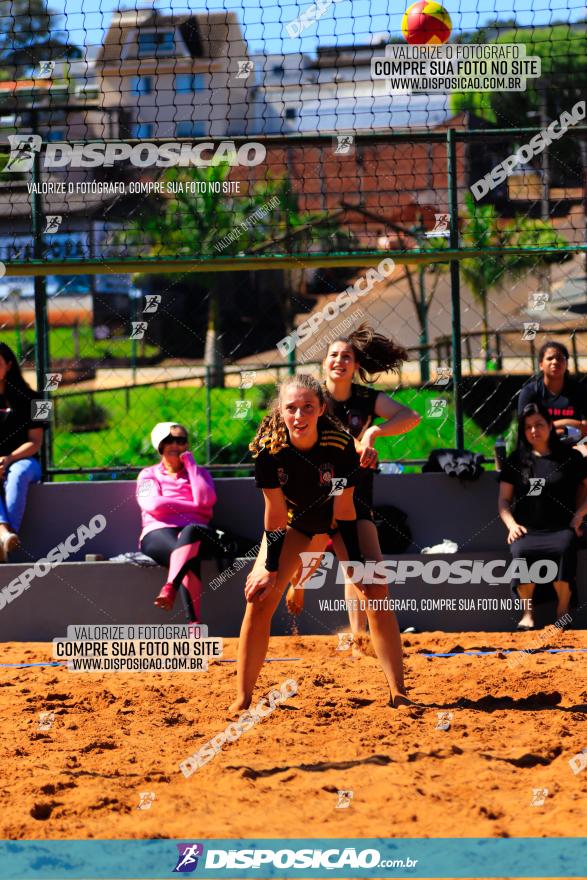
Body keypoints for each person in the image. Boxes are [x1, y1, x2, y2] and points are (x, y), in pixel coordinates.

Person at [230, 373, 414, 713]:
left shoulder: (338, 443)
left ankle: (398, 691)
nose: (299, 416)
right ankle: (243, 698)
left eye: (307, 408)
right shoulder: (269, 450)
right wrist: (268, 570)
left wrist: (357, 567)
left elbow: (343, 510)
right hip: (297, 521)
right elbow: (274, 515)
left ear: (321, 409)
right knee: (259, 596)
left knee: (374, 588)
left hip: (345, 517)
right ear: (281, 411)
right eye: (292, 408)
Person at [286, 325, 420, 654]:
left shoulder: (366, 399)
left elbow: (411, 416)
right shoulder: (313, 400)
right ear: (323, 364)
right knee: (310, 557)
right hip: (319, 496)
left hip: (357, 497)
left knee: (355, 568)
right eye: (333, 355)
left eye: (347, 356)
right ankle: (297, 585)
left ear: (356, 365)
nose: (340, 361)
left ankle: (359, 638)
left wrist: (374, 433)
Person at [498, 402, 587, 630]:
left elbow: (584, 487)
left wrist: (579, 516)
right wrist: (511, 525)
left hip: (560, 528)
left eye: (539, 424)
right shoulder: (516, 460)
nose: (534, 431)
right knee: (520, 550)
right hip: (528, 529)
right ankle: (528, 614)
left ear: (550, 425)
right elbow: (504, 500)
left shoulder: (569, 457)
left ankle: (562, 611)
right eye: (528, 427)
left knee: (565, 546)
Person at [136, 422, 217, 623]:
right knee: (187, 556)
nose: (175, 445)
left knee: (191, 533)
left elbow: (206, 500)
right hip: (158, 531)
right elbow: (152, 504)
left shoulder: (200, 474)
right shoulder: (148, 474)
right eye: (168, 440)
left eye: (180, 440)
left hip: (197, 532)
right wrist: (194, 505)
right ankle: (195, 628)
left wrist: (191, 466)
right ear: (159, 445)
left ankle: (170, 586)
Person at [0, 342, 47, 561]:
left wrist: (8, 459)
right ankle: (4, 537)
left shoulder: (36, 399)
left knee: (18, 474)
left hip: (26, 460)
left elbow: (36, 442)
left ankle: (6, 536)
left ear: (9, 365)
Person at [517, 341, 587, 447]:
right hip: (539, 445)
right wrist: (566, 426)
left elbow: (584, 429)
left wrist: (549, 427)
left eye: (559, 358)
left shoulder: (579, 390)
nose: (555, 362)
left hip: (575, 444)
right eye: (550, 358)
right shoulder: (530, 391)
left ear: (566, 363)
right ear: (541, 364)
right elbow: (526, 428)